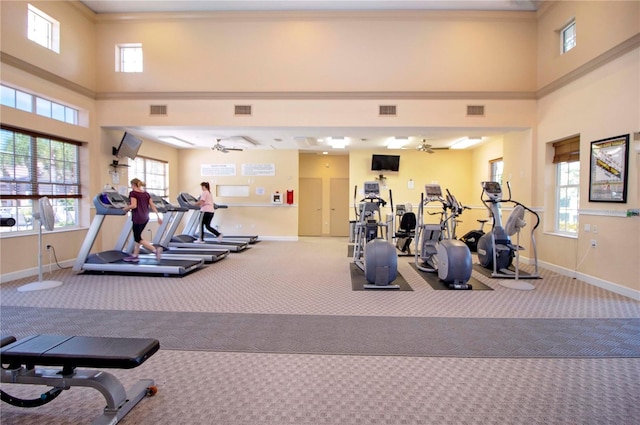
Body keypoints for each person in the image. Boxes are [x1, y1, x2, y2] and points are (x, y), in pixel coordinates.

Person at [122, 178, 163, 261]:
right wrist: (158, 216)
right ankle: (135, 255)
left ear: (133, 185)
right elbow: (152, 206)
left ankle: (154, 250)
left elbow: (133, 205)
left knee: (137, 238)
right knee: (138, 235)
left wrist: (125, 209)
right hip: (145, 217)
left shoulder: (133, 193)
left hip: (137, 217)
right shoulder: (146, 194)